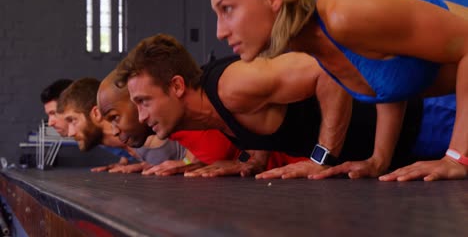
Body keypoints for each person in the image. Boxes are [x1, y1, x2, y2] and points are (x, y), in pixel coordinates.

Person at [205, 0, 468, 181]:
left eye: (227, 9)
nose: (219, 31)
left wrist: (456, 158)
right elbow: (390, 79)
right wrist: (379, 160)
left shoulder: (344, 12)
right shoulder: (311, 42)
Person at [114, 34, 452, 179]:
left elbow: (325, 72)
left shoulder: (231, 86)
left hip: (426, 118)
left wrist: (321, 159)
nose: (141, 116)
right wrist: (248, 160)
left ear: (176, 86)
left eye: (144, 102)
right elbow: (269, 120)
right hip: (398, 151)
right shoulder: (210, 113)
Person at [97, 69, 242, 176]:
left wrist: (249, 161)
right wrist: (183, 163)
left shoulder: (197, 113)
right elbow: (195, 158)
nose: (114, 131)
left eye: (115, 117)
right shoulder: (173, 130)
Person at [56, 77, 187, 173]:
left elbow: (196, 156)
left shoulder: (151, 131)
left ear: (96, 113)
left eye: (73, 120)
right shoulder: (129, 148)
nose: (70, 133)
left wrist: (188, 162)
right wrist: (143, 164)